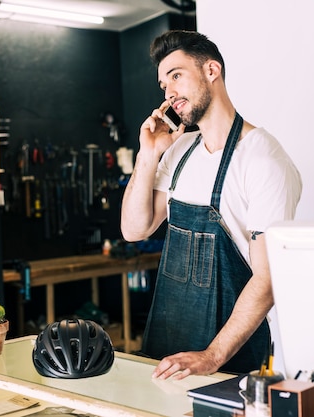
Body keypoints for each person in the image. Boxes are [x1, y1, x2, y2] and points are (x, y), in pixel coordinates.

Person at [120, 30, 302, 380]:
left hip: (229, 360)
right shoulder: (179, 151)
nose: (169, 92)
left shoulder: (262, 158)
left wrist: (211, 356)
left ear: (211, 71)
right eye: (163, 85)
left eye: (176, 76)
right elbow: (133, 229)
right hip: (166, 349)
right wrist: (149, 153)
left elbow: (267, 279)